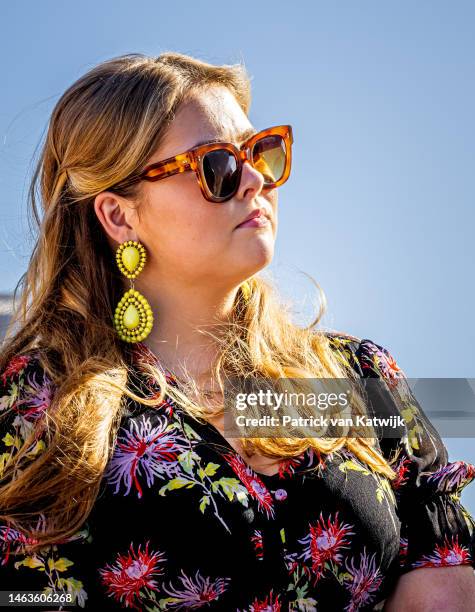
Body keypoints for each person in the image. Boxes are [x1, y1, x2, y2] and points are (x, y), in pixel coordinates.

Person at [0, 52, 474, 612]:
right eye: (216, 166)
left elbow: (442, 567)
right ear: (119, 216)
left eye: (260, 153)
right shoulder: (39, 404)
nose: (255, 181)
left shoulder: (358, 375)